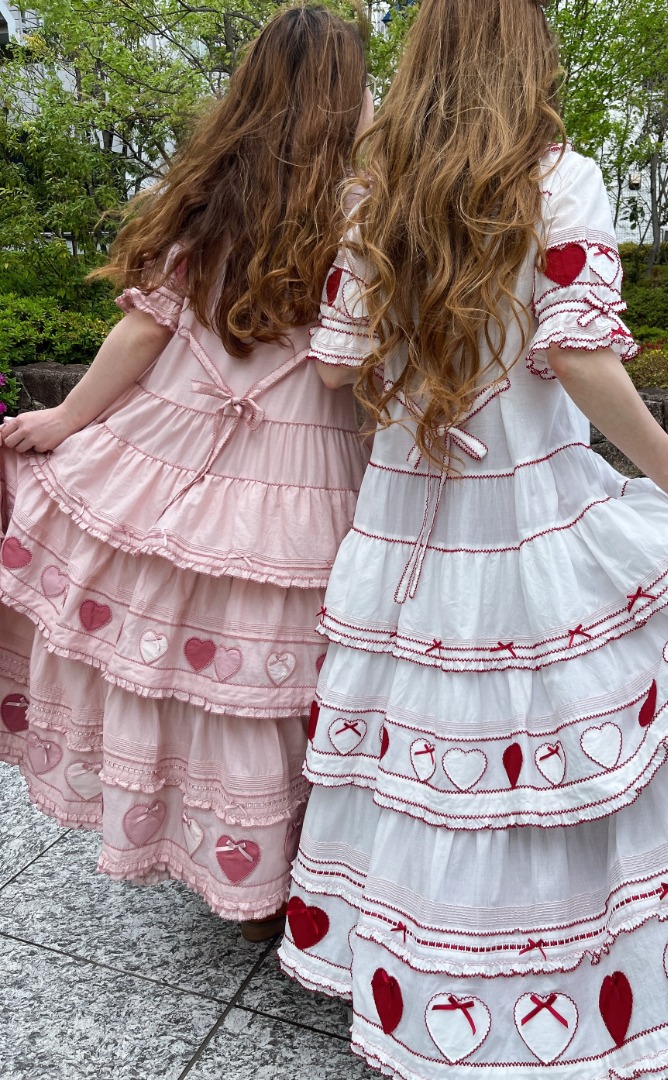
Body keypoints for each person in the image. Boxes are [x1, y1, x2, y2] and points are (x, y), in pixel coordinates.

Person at [278, 0, 668, 1073]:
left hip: (402, 522)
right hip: (525, 510)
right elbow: (577, 355)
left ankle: (418, 981)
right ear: (525, 57)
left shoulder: (373, 193)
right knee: (543, 742)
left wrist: (419, 364)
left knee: (422, 754)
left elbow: (339, 366)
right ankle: (562, 991)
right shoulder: (555, 180)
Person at [0, 3, 371, 940]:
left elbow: (144, 329)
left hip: (183, 447)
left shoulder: (216, 194)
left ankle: (230, 865)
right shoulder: (369, 205)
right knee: (272, 681)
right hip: (305, 467)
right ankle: (281, 873)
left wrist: (69, 419)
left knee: (188, 665)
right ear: (345, 95)